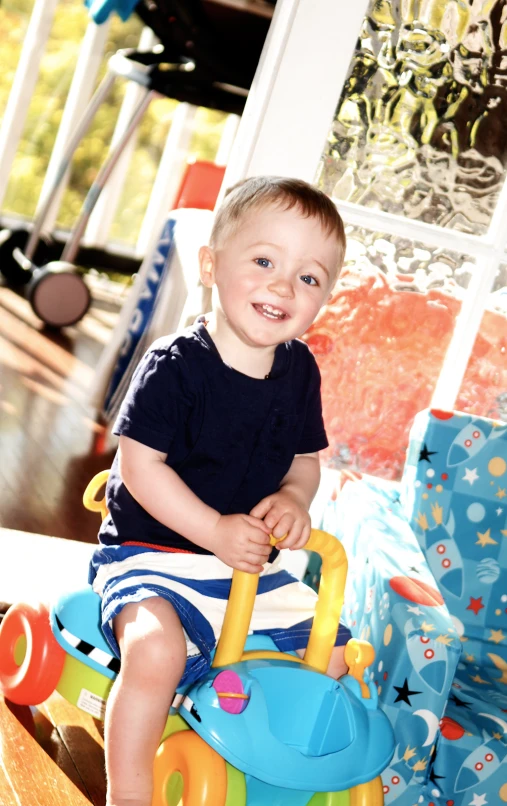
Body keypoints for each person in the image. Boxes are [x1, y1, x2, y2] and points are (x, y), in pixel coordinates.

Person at [89, 175, 349, 806]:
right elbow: (140, 466)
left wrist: (293, 499)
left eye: (309, 278)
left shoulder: (300, 370)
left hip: (250, 564)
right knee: (155, 651)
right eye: (264, 261)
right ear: (211, 265)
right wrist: (211, 530)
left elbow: (303, 463)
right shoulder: (176, 364)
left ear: (325, 298)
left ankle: (269, 772)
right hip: (157, 553)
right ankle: (130, 792)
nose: (284, 286)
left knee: (332, 658)